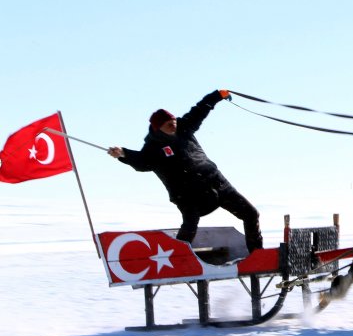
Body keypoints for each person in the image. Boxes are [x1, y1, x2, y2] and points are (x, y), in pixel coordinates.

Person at [108, 89, 263, 253]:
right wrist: (123, 153)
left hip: (217, 183)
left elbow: (200, 110)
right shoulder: (153, 148)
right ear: (158, 128)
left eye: (173, 120)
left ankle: (257, 254)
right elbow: (141, 163)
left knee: (251, 214)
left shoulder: (184, 127)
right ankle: (177, 258)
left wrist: (217, 95)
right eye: (168, 124)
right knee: (190, 225)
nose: (173, 124)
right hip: (188, 195)